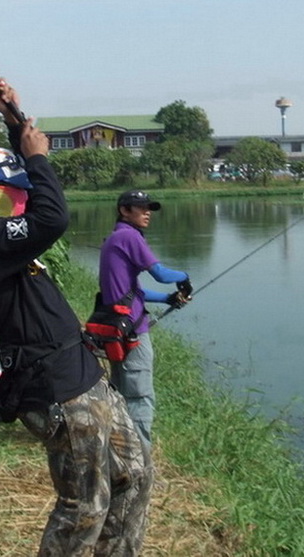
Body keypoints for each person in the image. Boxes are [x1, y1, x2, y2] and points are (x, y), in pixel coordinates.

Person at [0, 79, 152, 556]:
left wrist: (12, 113)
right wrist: (38, 160)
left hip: (86, 376)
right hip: (58, 390)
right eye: (20, 188)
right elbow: (52, 218)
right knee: (84, 505)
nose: (28, 195)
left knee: (134, 477)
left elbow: (40, 209)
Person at [98, 190, 192, 450]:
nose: (147, 212)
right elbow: (161, 273)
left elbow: (132, 291)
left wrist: (167, 299)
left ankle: (121, 457)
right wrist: (184, 276)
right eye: (140, 208)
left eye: (148, 207)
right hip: (132, 334)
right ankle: (142, 465)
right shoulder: (129, 236)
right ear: (124, 210)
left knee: (122, 397)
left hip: (119, 330)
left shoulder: (116, 238)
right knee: (140, 399)